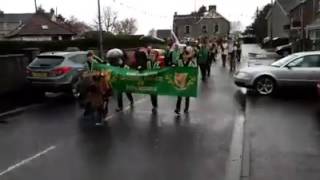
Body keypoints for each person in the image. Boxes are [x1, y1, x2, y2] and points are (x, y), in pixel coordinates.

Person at [174, 47, 197, 115]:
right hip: (180, 81)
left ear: (188, 55)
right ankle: (177, 108)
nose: (184, 56)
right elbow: (175, 68)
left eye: (185, 55)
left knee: (187, 95)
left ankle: (186, 108)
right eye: (183, 55)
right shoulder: (179, 61)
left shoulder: (191, 62)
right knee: (179, 96)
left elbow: (194, 70)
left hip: (187, 81)